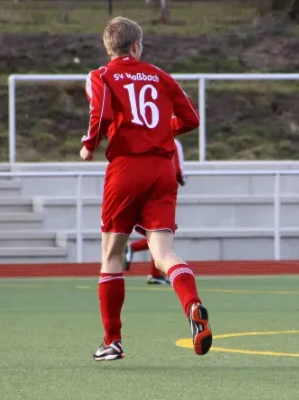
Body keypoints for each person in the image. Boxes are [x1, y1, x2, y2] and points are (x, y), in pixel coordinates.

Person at [81, 16, 212, 361]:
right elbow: (191, 120)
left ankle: (113, 340)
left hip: (126, 168)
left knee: (111, 255)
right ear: (136, 46)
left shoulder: (101, 75)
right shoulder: (160, 75)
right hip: (162, 169)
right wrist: (158, 129)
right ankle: (192, 303)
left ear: (110, 47)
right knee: (164, 253)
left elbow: (102, 113)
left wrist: (88, 144)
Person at [124, 138, 187, 285]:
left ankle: (154, 273)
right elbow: (178, 171)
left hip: (132, 186)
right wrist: (182, 179)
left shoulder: (140, 136)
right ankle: (132, 250)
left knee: (157, 232)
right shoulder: (172, 141)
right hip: (160, 192)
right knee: (163, 232)